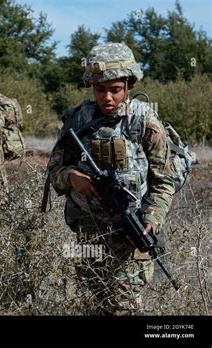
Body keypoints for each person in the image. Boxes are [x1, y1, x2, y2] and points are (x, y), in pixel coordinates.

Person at [47, 42, 176, 315]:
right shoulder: (77, 120)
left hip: (130, 232)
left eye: (115, 90)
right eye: (100, 89)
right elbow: (54, 170)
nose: (107, 97)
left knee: (124, 306)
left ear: (129, 85)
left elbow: (164, 179)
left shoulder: (144, 121)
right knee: (92, 303)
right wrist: (72, 177)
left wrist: (152, 220)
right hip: (88, 233)